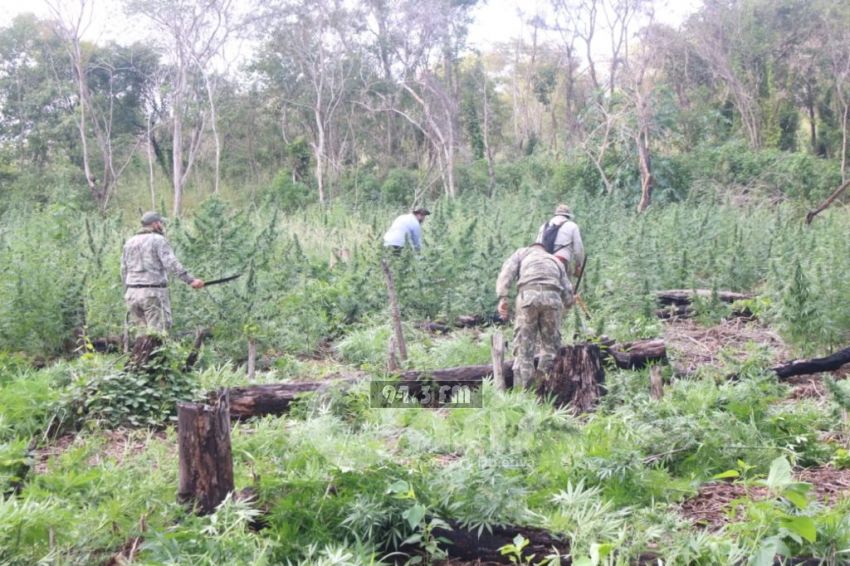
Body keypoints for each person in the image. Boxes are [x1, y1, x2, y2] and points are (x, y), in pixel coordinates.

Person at [496, 242, 574, 389]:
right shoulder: (555, 260)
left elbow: (506, 273)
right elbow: (568, 293)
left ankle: (526, 389)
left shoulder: (522, 253)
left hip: (528, 297)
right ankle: (544, 387)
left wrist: (503, 297)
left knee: (524, 348)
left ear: (531, 247)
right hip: (553, 298)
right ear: (545, 250)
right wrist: (569, 302)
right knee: (551, 348)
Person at [121, 211, 204, 336]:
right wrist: (190, 280)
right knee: (158, 335)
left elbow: (123, 269)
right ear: (154, 224)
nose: (162, 225)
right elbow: (171, 263)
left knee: (141, 336)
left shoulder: (129, 242)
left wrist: (127, 290)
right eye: (160, 222)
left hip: (131, 294)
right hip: (152, 293)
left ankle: (141, 356)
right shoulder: (158, 240)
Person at [535, 203, 585, 279]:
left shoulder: (544, 226)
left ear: (556, 214)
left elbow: (537, 246)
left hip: (543, 260)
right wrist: (578, 265)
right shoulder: (572, 226)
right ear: (568, 215)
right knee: (566, 286)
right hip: (561, 259)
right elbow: (578, 249)